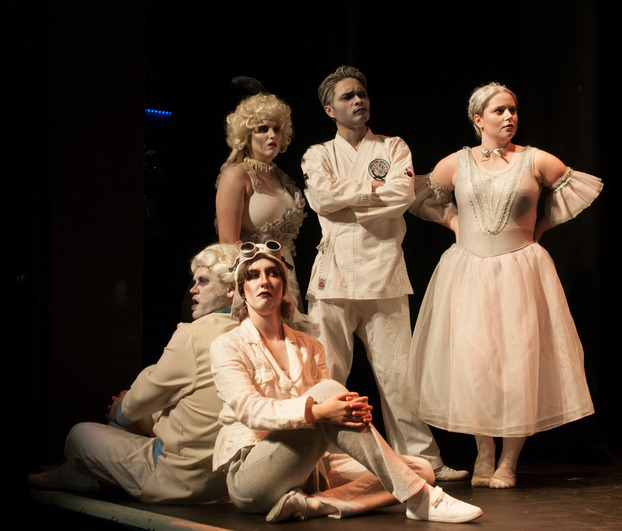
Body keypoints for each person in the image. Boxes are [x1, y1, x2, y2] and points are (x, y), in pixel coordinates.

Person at [407, 82, 603, 489]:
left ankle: (509, 461)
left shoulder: (535, 159)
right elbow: (420, 196)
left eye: (513, 109)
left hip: (519, 271)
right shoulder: (457, 162)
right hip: (469, 273)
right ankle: (484, 452)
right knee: (475, 363)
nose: (509, 116)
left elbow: (569, 194)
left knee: (518, 363)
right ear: (478, 119)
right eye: (499, 111)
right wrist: (453, 222)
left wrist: (536, 231)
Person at [209, 241, 483, 523]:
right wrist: (318, 411)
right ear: (242, 289)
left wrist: (349, 412)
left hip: (310, 472)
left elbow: (330, 414)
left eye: (273, 273)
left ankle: (314, 505)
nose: (264, 281)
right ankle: (420, 499)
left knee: (420, 469)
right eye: (253, 276)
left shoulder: (310, 346)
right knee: (329, 392)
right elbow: (250, 410)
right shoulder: (227, 346)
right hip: (253, 478)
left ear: (284, 285)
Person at [299, 66, 466, 482]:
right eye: (347, 96)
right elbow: (321, 197)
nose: (358, 100)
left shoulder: (393, 146)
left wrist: (350, 196)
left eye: (362, 93)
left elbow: (401, 194)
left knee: (399, 376)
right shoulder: (317, 154)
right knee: (326, 375)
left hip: (385, 270)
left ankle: (424, 460)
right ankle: (317, 463)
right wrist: (371, 190)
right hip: (333, 275)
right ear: (329, 109)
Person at [28, 243, 240, 504]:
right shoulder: (251, 331)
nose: (193, 289)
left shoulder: (193, 334)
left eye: (203, 281)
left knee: (79, 434)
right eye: (194, 281)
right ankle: (78, 473)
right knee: (147, 407)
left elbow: (135, 405)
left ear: (231, 289)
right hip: (226, 486)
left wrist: (120, 408)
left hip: (180, 482)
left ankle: (77, 471)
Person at [215, 90, 307, 311]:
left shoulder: (281, 178)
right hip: (254, 280)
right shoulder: (236, 176)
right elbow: (228, 245)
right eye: (263, 129)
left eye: (277, 129)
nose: (272, 135)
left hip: (286, 278)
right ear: (247, 136)